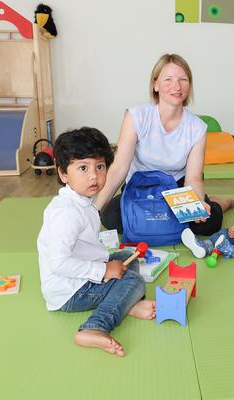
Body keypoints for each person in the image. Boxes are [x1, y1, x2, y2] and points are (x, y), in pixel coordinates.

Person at [37, 127, 156, 357]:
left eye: (99, 167)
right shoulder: (66, 213)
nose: (94, 176)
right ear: (63, 174)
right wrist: (102, 270)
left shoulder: (82, 200)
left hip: (82, 273)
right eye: (83, 168)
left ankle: (125, 304)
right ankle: (95, 327)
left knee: (125, 257)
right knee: (133, 283)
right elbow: (59, 263)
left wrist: (106, 265)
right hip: (69, 291)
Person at [95, 53, 234, 236]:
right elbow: (119, 168)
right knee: (111, 218)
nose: (176, 86)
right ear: (155, 85)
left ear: (189, 85)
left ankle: (221, 202)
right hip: (141, 187)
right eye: (168, 79)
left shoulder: (197, 128)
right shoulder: (136, 116)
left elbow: (193, 178)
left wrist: (199, 202)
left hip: (177, 187)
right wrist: (94, 211)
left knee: (207, 224)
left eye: (183, 80)